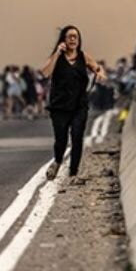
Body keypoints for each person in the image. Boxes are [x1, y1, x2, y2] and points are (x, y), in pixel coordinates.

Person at [42, 25, 106, 182]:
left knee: (77, 136)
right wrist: (57, 53)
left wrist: (100, 73)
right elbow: (45, 72)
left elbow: (98, 68)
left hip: (79, 105)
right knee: (61, 140)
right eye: (69, 36)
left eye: (75, 37)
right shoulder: (57, 57)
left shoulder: (83, 57)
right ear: (63, 39)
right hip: (59, 106)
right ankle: (57, 161)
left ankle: (73, 173)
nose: (72, 39)